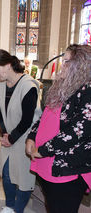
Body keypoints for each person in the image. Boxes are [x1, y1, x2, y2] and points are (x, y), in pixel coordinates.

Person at [26, 44, 91, 213]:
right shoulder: (64, 87)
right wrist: (32, 136)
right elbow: (45, 116)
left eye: (68, 62)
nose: (63, 65)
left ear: (82, 65)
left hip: (67, 166)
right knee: (52, 206)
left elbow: (79, 129)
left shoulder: (88, 90)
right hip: (48, 161)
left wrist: (45, 149)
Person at [0, 49, 42, 213]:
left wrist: (12, 138)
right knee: (6, 173)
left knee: (24, 177)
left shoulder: (29, 85)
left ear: (8, 65)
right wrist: (5, 133)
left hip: (26, 137)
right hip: (9, 135)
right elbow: (0, 111)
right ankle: (10, 205)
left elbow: (27, 119)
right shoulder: (2, 85)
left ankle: (18, 209)